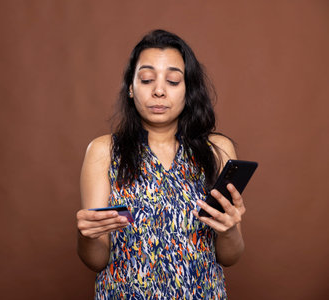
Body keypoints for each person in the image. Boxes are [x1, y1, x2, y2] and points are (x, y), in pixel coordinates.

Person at [76, 29, 245, 299]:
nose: (158, 90)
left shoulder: (218, 150)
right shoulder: (103, 151)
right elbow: (96, 260)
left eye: (173, 81)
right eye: (146, 79)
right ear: (131, 87)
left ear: (188, 89)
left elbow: (229, 257)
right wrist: (87, 236)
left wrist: (230, 229)